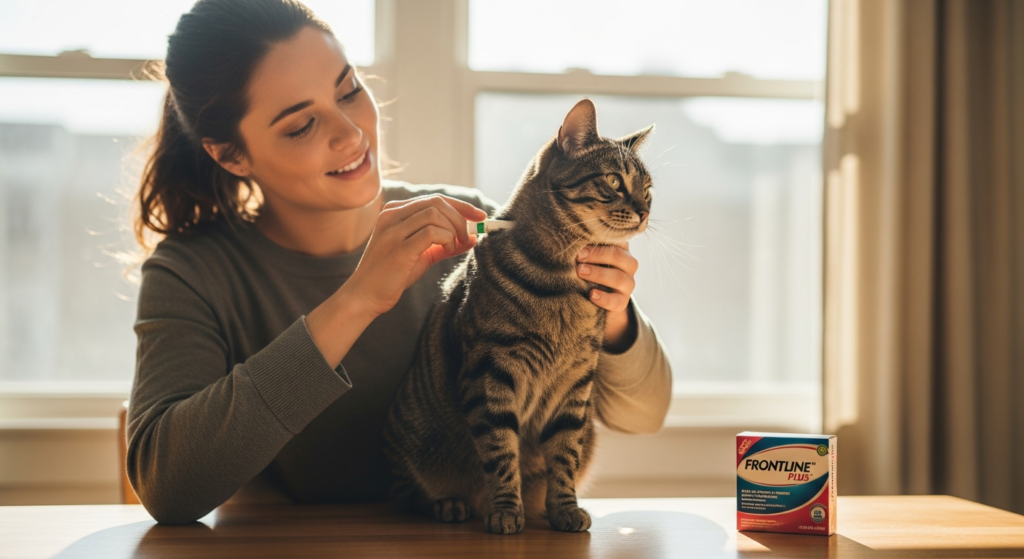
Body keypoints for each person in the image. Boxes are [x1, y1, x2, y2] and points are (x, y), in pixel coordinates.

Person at [127, 0, 672, 525]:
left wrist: (615, 316)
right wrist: (358, 299)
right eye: (300, 126)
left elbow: (645, 415)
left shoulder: (483, 229)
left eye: (349, 90)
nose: (351, 132)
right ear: (229, 154)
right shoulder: (190, 272)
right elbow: (169, 487)